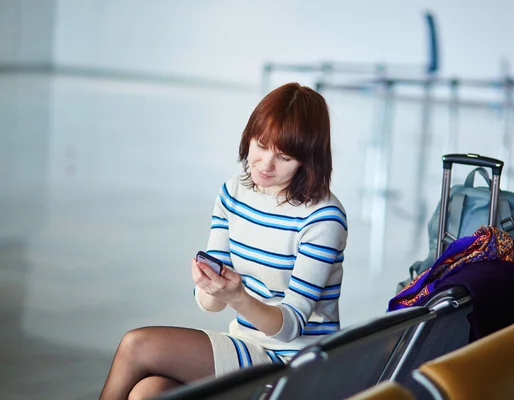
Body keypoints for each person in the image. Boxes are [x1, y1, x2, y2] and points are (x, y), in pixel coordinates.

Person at [99, 82, 348, 400]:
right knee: (148, 392)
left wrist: (238, 297)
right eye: (260, 145)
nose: (265, 164)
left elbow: (291, 327)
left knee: (137, 345)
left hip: (299, 363)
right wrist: (211, 286)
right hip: (246, 346)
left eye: (283, 157)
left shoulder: (323, 217)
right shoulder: (234, 194)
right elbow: (210, 305)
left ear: (307, 160)